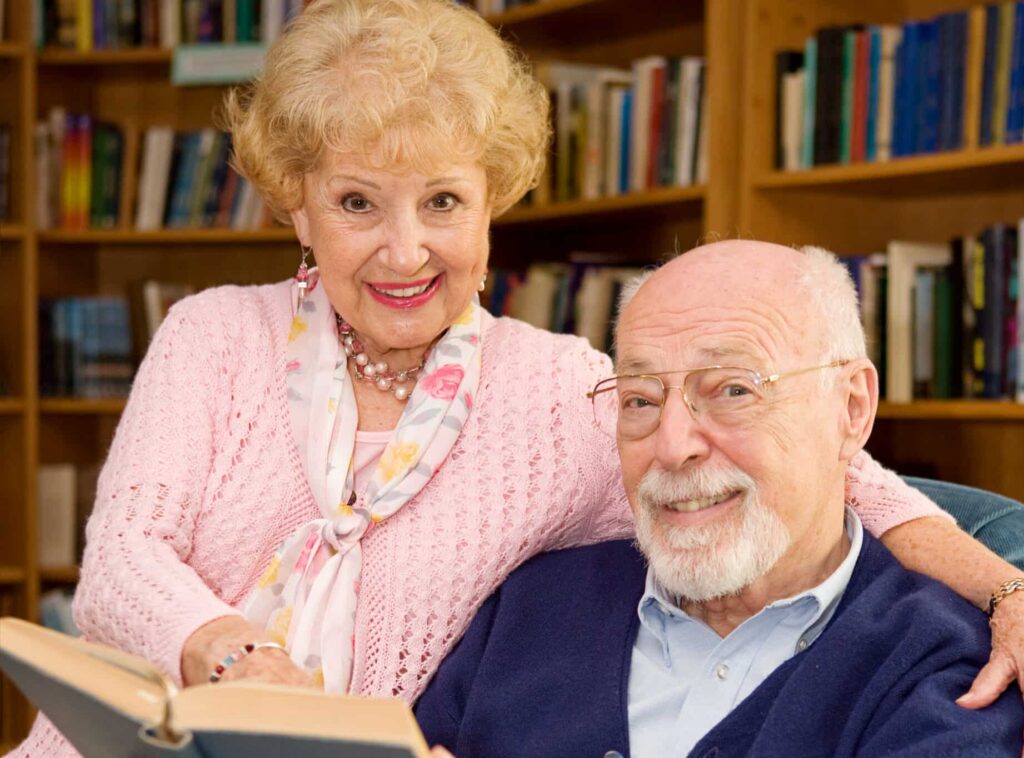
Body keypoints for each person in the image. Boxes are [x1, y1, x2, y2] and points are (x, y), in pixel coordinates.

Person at [10, 1, 1024, 754]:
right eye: (358, 202)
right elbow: (120, 560)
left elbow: (808, 464)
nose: (406, 251)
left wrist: (1006, 583)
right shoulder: (211, 336)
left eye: (443, 200)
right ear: (297, 208)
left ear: (493, 201)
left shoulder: (567, 395)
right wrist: (237, 658)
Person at [415, 241, 1024, 757]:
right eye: (641, 400)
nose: (673, 445)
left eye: (734, 390)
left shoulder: (944, 665)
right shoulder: (529, 609)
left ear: (851, 409)